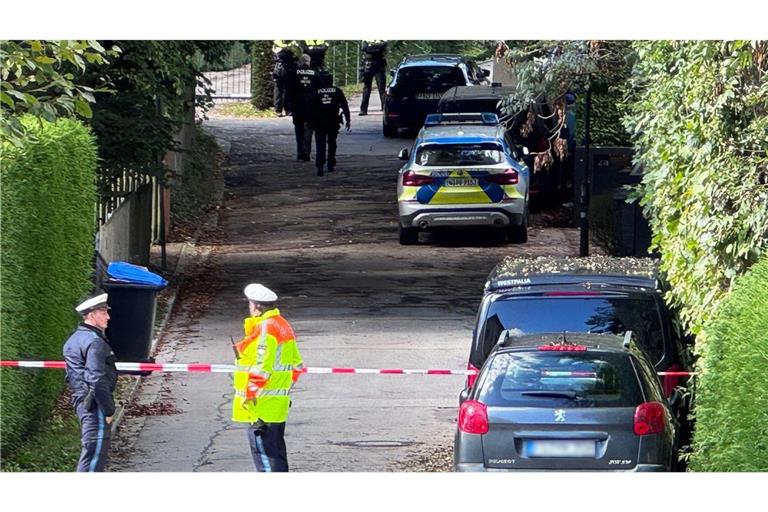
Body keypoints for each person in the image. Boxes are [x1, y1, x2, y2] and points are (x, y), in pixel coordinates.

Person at [231, 283, 304, 472]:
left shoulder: (266, 328)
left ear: (256, 306)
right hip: (276, 403)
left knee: (265, 457)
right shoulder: (282, 325)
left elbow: (262, 366)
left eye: (250, 304)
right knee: (275, 454)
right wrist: (283, 388)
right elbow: (297, 365)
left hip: (260, 405)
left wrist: (251, 393)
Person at [62, 293, 118, 472]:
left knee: (90, 452)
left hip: (82, 402)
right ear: (92, 315)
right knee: (94, 457)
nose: (108, 317)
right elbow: (95, 377)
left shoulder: (74, 339)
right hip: (95, 405)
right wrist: (109, 409)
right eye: (103, 312)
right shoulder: (94, 342)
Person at [311, 73, 351, 176]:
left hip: (319, 121)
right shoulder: (337, 91)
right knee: (332, 142)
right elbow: (344, 106)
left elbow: (311, 108)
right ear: (332, 81)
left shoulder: (316, 92)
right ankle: (330, 164)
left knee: (320, 144)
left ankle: (320, 167)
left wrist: (311, 121)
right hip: (333, 121)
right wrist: (348, 120)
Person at [291, 54, 319, 161]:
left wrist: (287, 106)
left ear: (300, 62)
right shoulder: (314, 73)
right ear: (308, 62)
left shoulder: (294, 73)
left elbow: (289, 90)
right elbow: (319, 88)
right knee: (309, 128)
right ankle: (307, 151)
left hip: (297, 104)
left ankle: (299, 152)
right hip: (311, 104)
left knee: (298, 129)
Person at [359, 40, 388, 116]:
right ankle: (363, 110)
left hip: (379, 65)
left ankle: (385, 108)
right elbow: (364, 48)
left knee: (381, 88)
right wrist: (377, 48)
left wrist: (371, 48)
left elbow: (384, 46)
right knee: (366, 88)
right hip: (368, 65)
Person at [272, 40, 297, 117]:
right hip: (287, 69)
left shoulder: (276, 42)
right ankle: (287, 110)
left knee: (279, 90)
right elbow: (295, 56)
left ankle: (278, 110)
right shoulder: (292, 43)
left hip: (279, 69)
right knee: (287, 90)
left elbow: (275, 55)